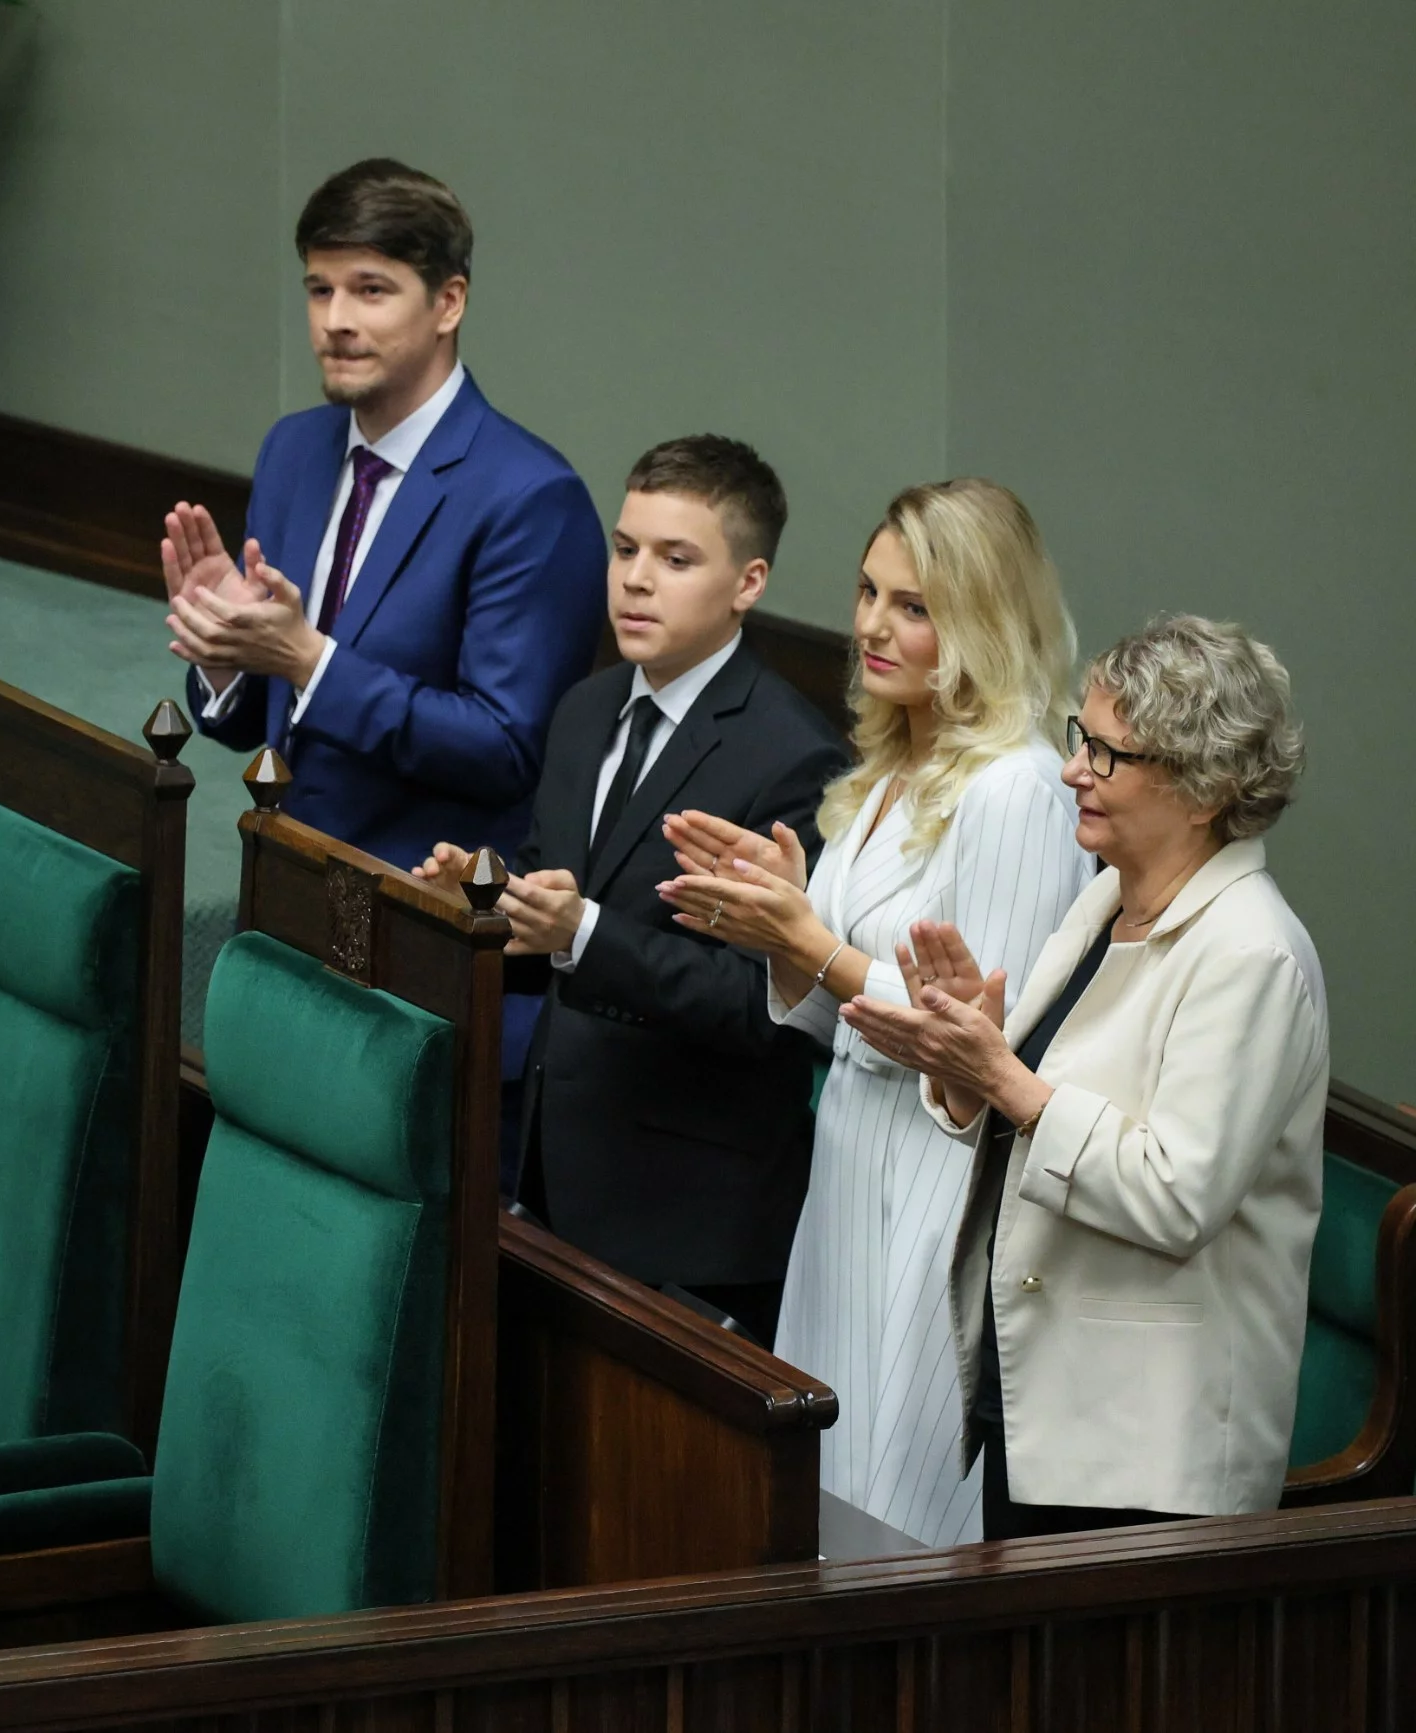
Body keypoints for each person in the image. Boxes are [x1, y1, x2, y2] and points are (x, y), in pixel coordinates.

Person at [659, 479, 1088, 1545]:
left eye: (912, 605)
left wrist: (816, 945)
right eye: (865, 591)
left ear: (981, 619)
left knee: (894, 1521)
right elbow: (830, 1019)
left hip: (935, 1192)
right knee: (817, 1497)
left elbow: (982, 1043)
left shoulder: (1015, 787)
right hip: (848, 1167)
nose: (868, 625)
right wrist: (781, 934)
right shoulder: (891, 766)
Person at [844, 616, 1323, 1539]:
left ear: (1207, 789)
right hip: (1041, 1405)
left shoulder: (1252, 952)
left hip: (1147, 1457)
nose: (1074, 771)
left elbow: (1174, 1195)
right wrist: (963, 1061)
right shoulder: (1107, 898)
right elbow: (1028, 1104)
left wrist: (1008, 1081)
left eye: (1111, 755)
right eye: (1081, 739)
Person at [416, 436, 847, 1343]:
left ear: (749, 582)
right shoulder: (586, 709)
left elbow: (757, 1005)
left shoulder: (793, 758)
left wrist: (580, 931)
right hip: (552, 1174)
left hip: (688, 1219)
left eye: (675, 558)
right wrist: (490, 907)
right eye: (625, 549)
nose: (635, 580)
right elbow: (555, 905)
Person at [161, 156, 606, 870]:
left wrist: (309, 660)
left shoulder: (532, 499)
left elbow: (506, 750)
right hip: (282, 869)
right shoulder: (294, 449)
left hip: (424, 900)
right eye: (319, 290)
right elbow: (260, 721)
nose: (336, 321)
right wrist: (228, 653)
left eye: (371, 291)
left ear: (449, 302)